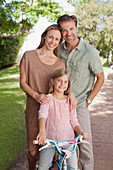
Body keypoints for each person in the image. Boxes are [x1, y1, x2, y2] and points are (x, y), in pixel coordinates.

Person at [57, 14, 104, 170]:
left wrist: (88, 101)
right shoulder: (59, 50)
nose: (68, 33)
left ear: (76, 28)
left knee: (84, 145)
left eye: (71, 28)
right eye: (64, 30)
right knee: (66, 145)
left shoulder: (89, 51)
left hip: (80, 105)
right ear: (60, 32)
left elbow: (100, 78)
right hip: (62, 105)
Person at [20, 24, 66, 170]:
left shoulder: (60, 63)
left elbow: (62, 85)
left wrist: (69, 95)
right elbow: (22, 82)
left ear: (59, 42)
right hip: (33, 108)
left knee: (51, 151)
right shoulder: (29, 56)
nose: (52, 41)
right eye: (50, 36)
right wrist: (36, 95)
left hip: (53, 111)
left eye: (57, 39)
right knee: (34, 153)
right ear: (44, 36)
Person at [36, 69, 88, 170]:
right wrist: (42, 131)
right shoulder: (48, 99)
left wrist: (81, 132)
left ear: (68, 84)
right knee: (43, 167)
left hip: (68, 140)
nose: (62, 84)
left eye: (65, 81)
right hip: (50, 140)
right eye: (59, 80)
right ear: (52, 81)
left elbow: (74, 121)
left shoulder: (70, 100)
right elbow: (42, 114)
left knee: (73, 167)